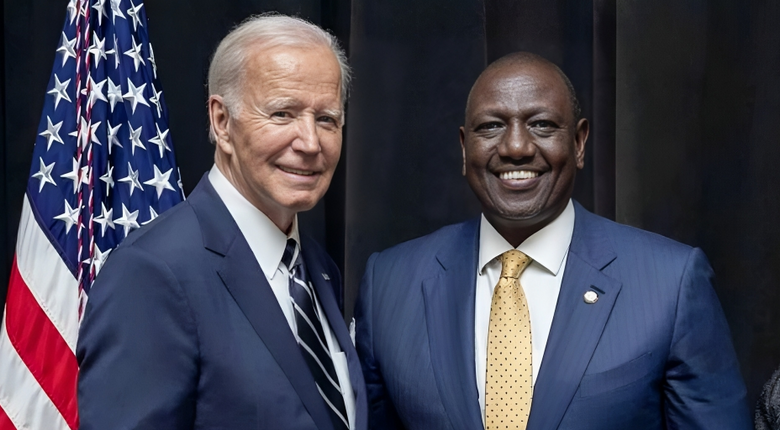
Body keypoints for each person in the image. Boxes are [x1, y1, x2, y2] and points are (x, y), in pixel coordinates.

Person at [354, 52, 751, 429]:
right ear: (464, 148)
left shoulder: (670, 284)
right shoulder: (389, 284)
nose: (515, 148)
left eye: (542, 125)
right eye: (491, 126)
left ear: (579, 142)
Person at [77, 14, 365, 430]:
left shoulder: (316, 270)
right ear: (222, 122)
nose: (310, 142)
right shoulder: (151, 273)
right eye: (283, 114)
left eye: (327, 119)